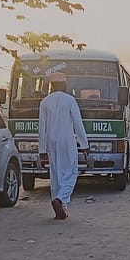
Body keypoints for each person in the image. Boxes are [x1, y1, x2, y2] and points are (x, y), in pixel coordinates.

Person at [38, 72, 90, 220]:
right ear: (65, 85)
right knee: (71, 172)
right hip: (66, 140)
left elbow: (41, 128)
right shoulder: (70, 100)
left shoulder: (45, 102)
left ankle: (61, 209)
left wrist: (42, 150)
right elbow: (78, 124)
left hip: (51, 140)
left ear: (52, 86)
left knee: (56, 173)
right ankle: (60, 199)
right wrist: (84, 144)